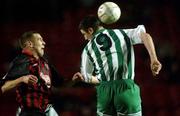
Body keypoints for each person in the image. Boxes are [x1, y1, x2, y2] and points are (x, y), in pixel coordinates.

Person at [73, 15, 162, 116]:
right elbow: (145, 36)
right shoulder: (121, 33)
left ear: (90, 30)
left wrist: (82, 78)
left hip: (104, 92)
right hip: (125, 87)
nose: (85, 38)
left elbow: (87, 77)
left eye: (84, 34)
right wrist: (153, 59)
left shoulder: (87, 50)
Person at [0, 31, 64, 116]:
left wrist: (74, 80)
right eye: (40, 40)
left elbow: (61, 83)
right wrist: (22, 79)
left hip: (45, 111)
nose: (44, 43)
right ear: (30, 44)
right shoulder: (23, 60)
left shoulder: (45, 63)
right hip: (31, 112)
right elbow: (3, 87)